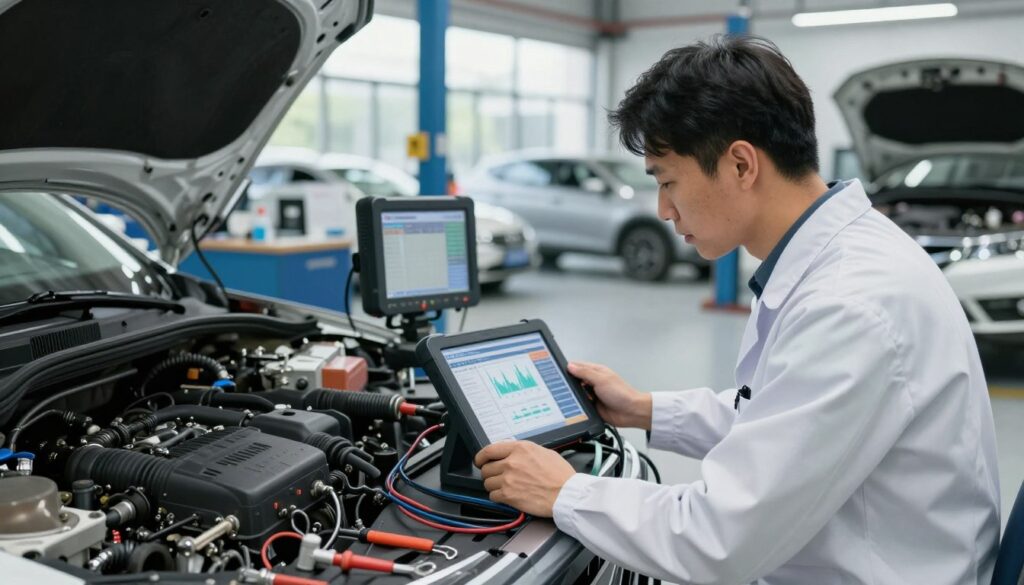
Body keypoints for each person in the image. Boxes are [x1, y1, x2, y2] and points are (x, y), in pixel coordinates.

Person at [473, 35, 1000, 584]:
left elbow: (716, 543)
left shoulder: (850, 304)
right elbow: (778, 419)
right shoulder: (843, 256)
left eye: (668, 180)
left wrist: (563, 491)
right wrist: (644, 408)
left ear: (741, 164)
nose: (664, 209)